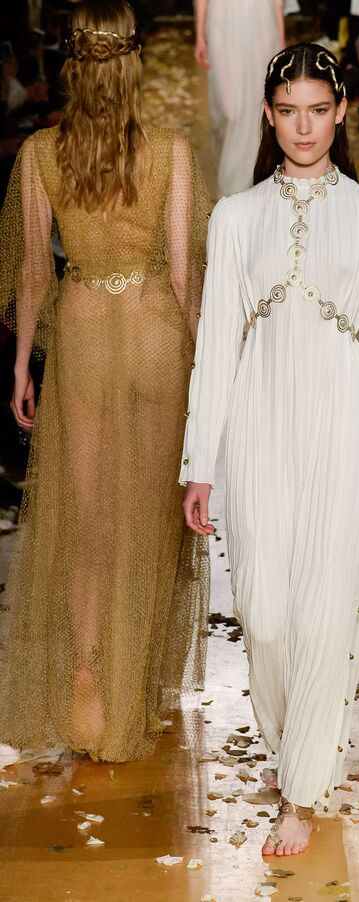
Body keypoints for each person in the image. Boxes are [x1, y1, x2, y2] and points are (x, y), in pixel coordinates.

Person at [181, 42, 359, 856]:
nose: (304, 127)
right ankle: (290, 752)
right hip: (256, 426)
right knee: (266, 614)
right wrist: (199, 463)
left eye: (319, 110)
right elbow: (216, 346)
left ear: (341, 113)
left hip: (344, 426)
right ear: (269, 116)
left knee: (324, 612)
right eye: (289, 112)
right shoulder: (234, 218)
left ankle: (302, 791)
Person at [0, 0, 210, 762]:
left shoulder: (39, 155)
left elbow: (33, 271)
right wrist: (213, 376)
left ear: (70, 65)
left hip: (84, 332)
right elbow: (185, 278)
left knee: (87, 524)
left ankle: (88, 673)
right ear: (134, 63)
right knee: (149, 520)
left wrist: (21, 363)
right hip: (156, 335)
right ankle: (134, 680)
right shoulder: (170, 153)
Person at [194, 0, 285, 197]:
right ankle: (234, 180)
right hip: (222, 24)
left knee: (257, 103)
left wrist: (281, 38)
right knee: (227, 110)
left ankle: (250, 184)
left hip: (261, 22)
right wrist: (200, 34)